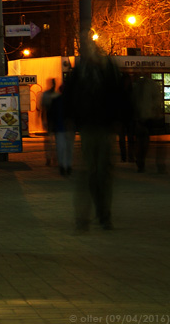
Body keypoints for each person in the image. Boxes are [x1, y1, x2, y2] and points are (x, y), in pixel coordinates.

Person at [61, 43, 127, 230]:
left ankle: (102, 214)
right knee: (92, 172)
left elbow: (119, 96)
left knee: (101, 173)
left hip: (103, 126)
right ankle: (89, 217)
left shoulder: (106, 71)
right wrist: (70, 117)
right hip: (90, 126)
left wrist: (118, 119)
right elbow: (69, 96)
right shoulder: (81, 73)